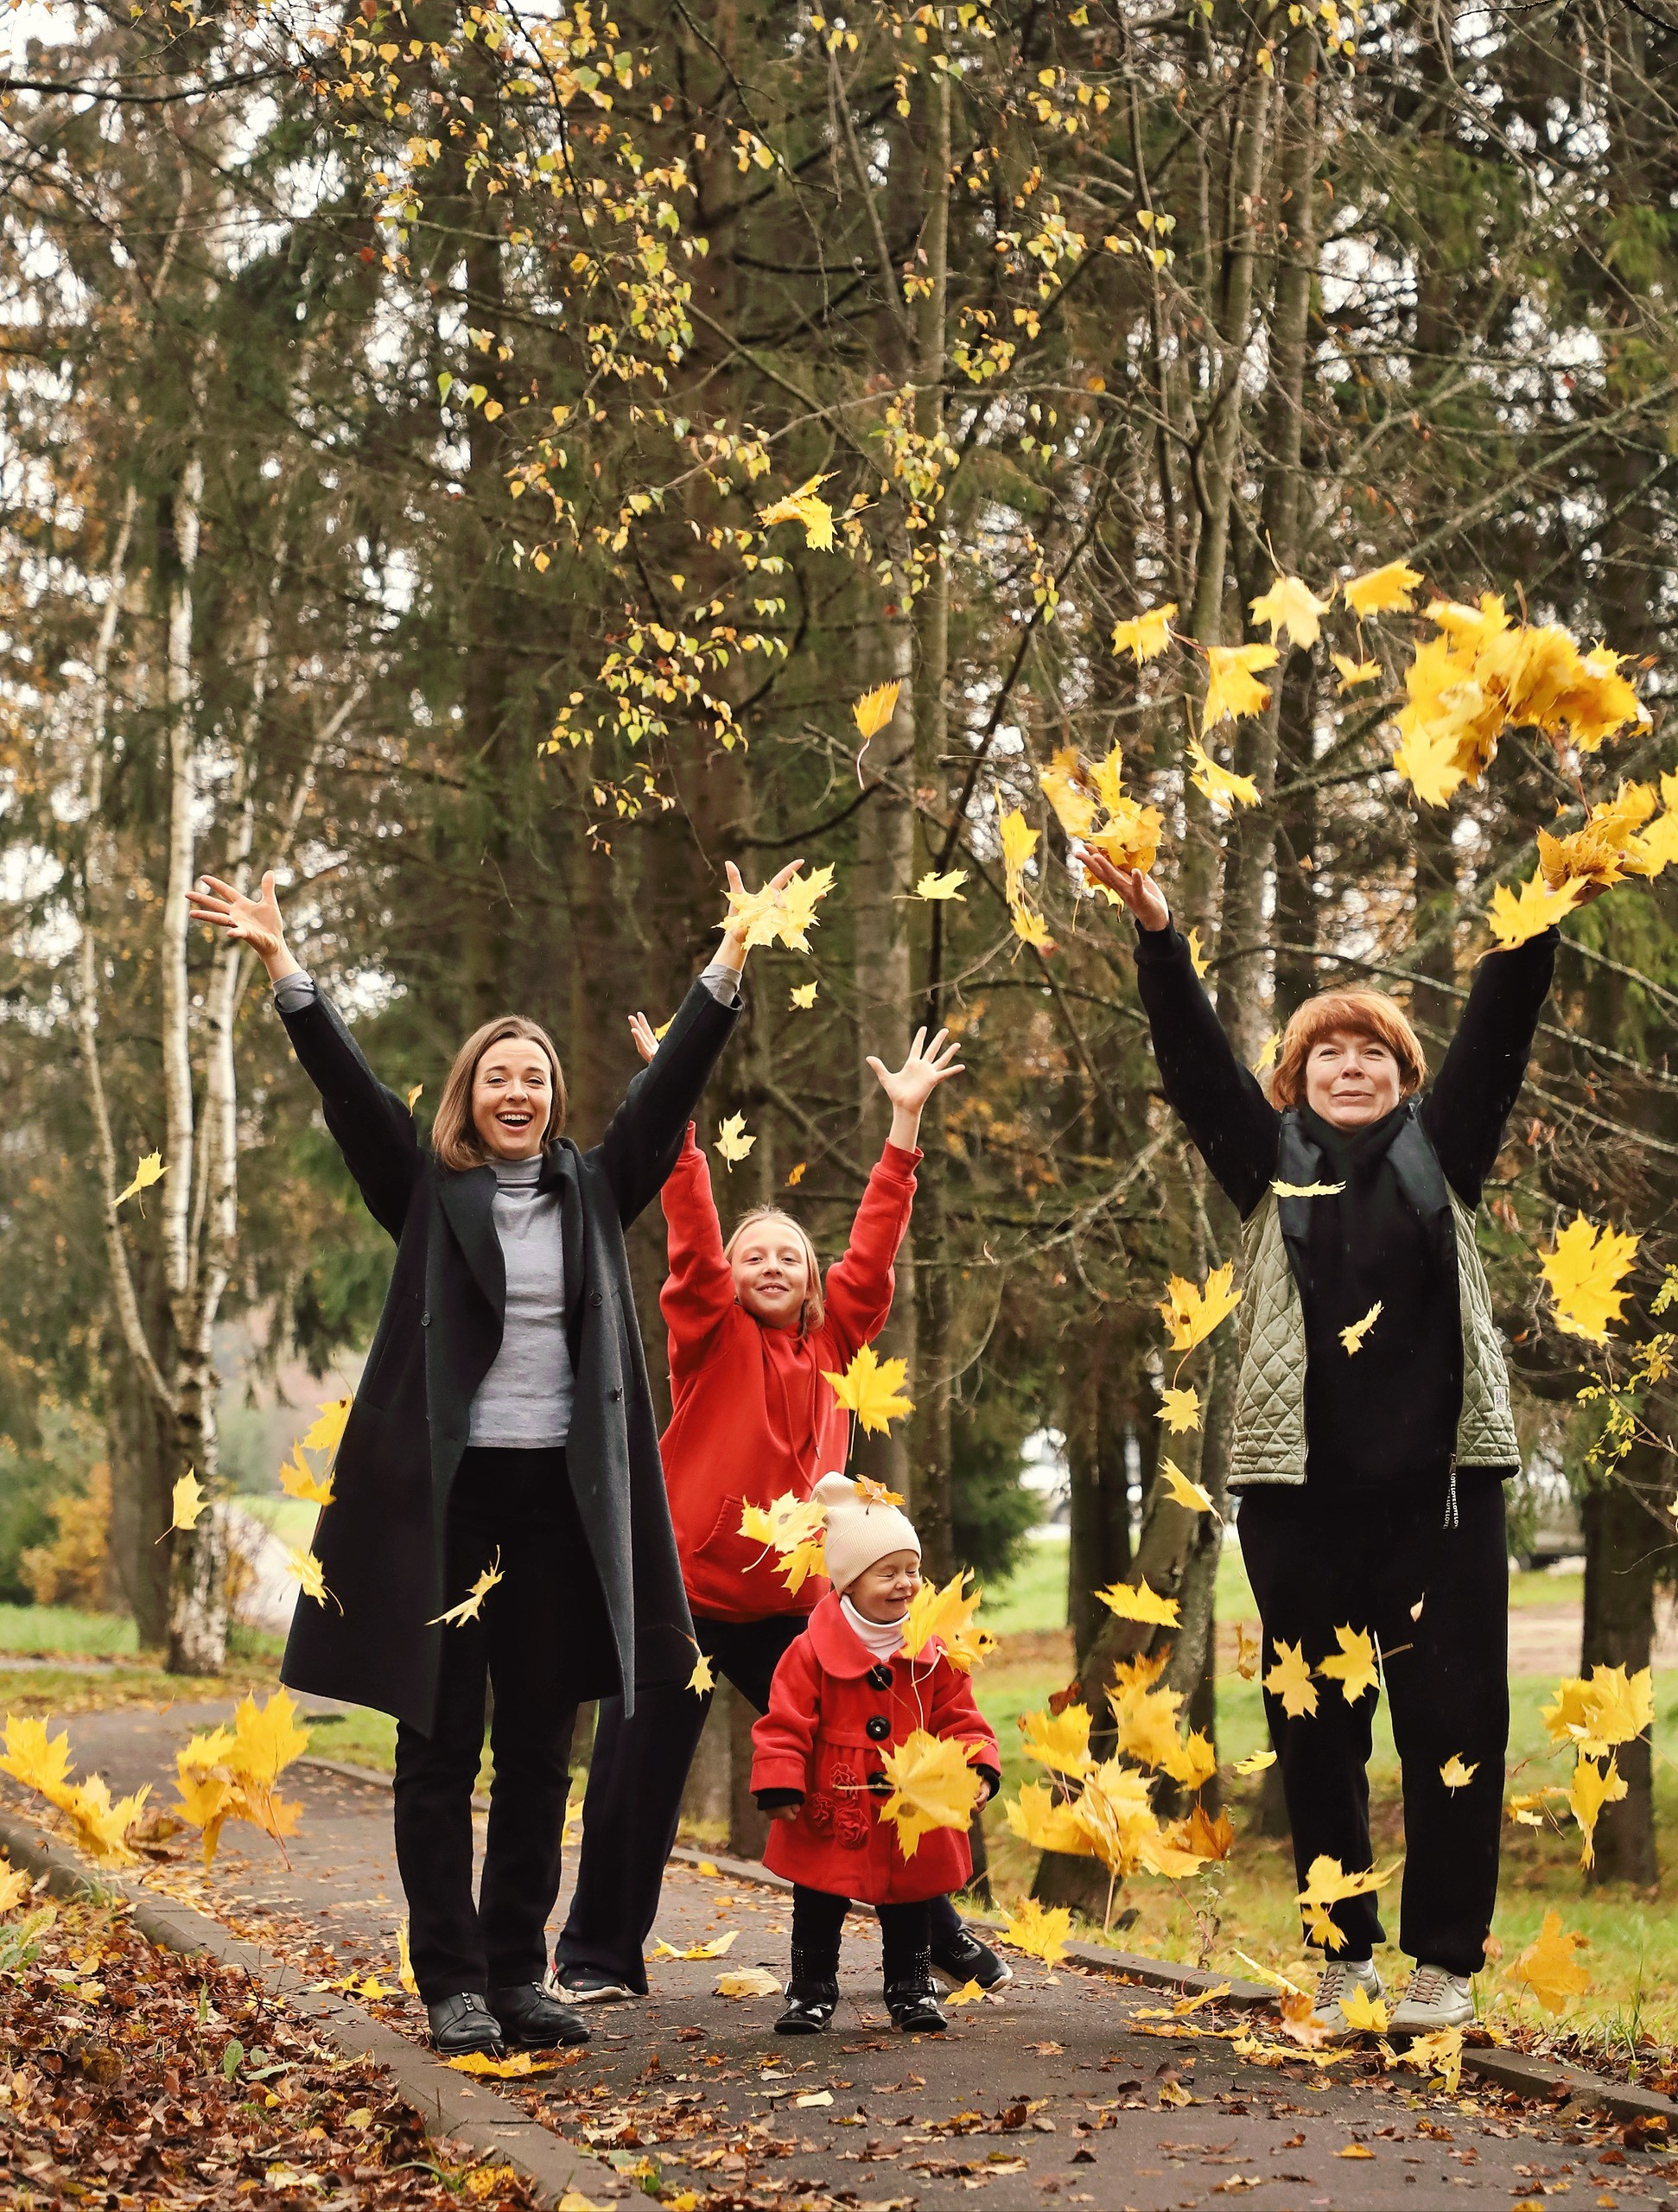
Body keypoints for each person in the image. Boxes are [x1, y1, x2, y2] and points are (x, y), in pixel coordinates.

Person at [185, 859, 796, 2059]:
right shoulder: (427, 1191)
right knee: (436, 1745)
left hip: (560, 1506)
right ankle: (451, 1979)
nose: (518, 1090)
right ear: (469, 1095)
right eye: (498, 1076)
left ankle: (518, 1973)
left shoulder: (593, 1187)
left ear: (554, 1101)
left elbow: (668, 1090)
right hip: (449, 1508)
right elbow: (356, 1096)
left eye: (536, 1078)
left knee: (536, 1752)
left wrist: (727, 961)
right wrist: (285, 968)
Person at [1079, 842, 1577, 2040]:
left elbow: (1496, 1037)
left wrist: (1543, 911)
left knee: (1454, 1727)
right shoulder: (1267, 1168)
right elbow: (1195, 1065)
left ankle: (1441, 1967)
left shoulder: (1442, 1155)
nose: (1349, 1068)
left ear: (1403, 1078)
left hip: (1443, 1499)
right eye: (1325, 1054)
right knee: (1315, 1734)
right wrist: (1157, 933)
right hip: (1300, 1502)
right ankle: (1341, 1956)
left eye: (1371, 1054)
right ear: (1292, 1080)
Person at [554, 1026, 1012, 2001]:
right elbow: (689, 1231)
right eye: (751, 1254)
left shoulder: (839, 1339)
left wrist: (903, 1128)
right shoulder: (708, 1334)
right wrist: (675, 1108)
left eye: (789, 1257)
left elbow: (873, 1251)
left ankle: (936, 1932)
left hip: (794, 1609)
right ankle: (594, 1957)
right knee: (633, 1777)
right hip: (680, 1598)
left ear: (812, 1278)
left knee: (869, 1755)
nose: (770, 1265)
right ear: (729, 1275)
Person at [749, 1473, 1001, 2035]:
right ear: (848, 1582)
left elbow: (960, 1718)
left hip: (910, 1805)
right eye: (887, 1573)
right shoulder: (810, 1651)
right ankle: (811, 1991)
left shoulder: (934, 1652)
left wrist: (977, 1766)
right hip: (834, 1803)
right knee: (818, 1903)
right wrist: (780, 1781)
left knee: (910, 1902)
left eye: (912, 1569)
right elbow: (785, 1721)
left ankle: (911, 1990)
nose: (905, 1583)